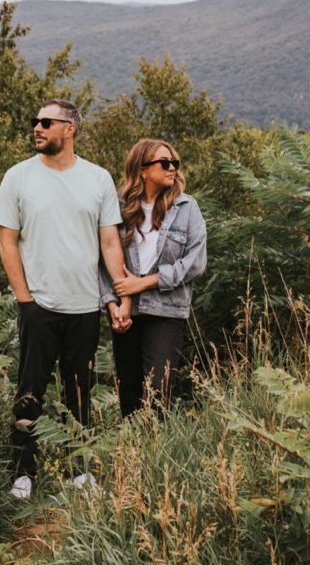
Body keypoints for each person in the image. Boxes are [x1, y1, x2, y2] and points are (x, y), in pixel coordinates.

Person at [0, 99, 127, 498]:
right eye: (35, 121)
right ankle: (23, 473)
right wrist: (24, 300)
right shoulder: (17, 177)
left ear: (70, 129)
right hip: (39, 305)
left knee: (79, 392)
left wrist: (118, 296)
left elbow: (109, 242)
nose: (37, 127)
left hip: (85, 306)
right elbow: (7, 242)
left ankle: (78, 471)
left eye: (46, 122)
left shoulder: (98, 178)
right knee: (29, 391)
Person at [101, 138, 207, 417]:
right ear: (143, 170)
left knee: (159, 391)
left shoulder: (186, 207)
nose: (172, 167)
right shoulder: (118, 207)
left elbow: (196, 262)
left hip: (167, 310)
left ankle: (157, 454)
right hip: (126, 311)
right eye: (164, 162)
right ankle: (134, 456)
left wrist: (145, 282)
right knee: (130, 394)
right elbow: (104, 259)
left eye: (174, 163)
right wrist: (112, 304)